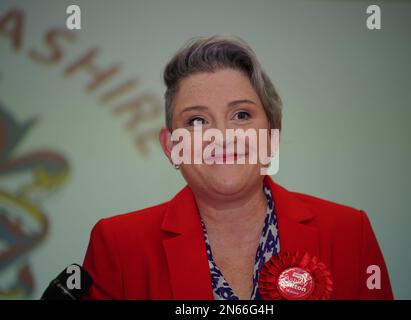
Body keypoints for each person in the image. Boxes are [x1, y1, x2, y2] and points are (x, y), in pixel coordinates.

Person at [82, 34, 393, 300]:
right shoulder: (118, 245)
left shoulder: (350, 232)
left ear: (273, 135)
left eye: (241, 115)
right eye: (197, 121)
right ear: (171, 146)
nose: (222, 137)